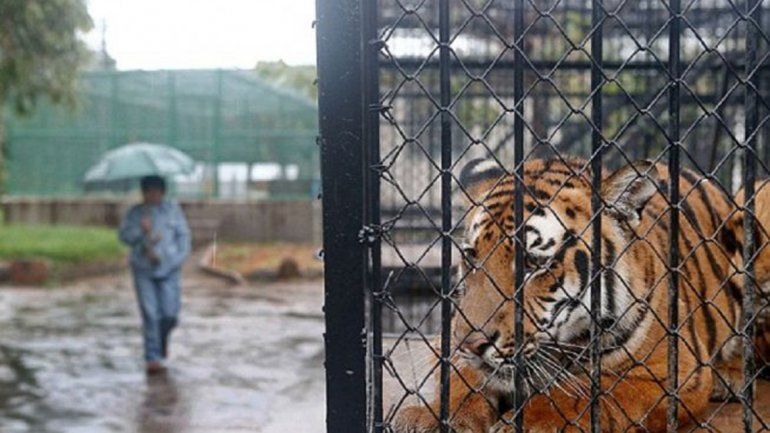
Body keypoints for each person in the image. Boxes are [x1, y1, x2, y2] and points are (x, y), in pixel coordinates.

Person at [119, 175, 191, 374]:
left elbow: (184, 238)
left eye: (156, 192)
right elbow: (124, 236)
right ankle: (153, 357)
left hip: (169, 269)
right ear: (143, 193)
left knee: (169, 314)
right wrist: (142, 233)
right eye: (148, 192)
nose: (153, 196)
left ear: (162, 192)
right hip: (143, 269)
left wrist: (174, 260)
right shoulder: (136, 214)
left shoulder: (173, 211)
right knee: (151, 313)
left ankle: (161, 340)